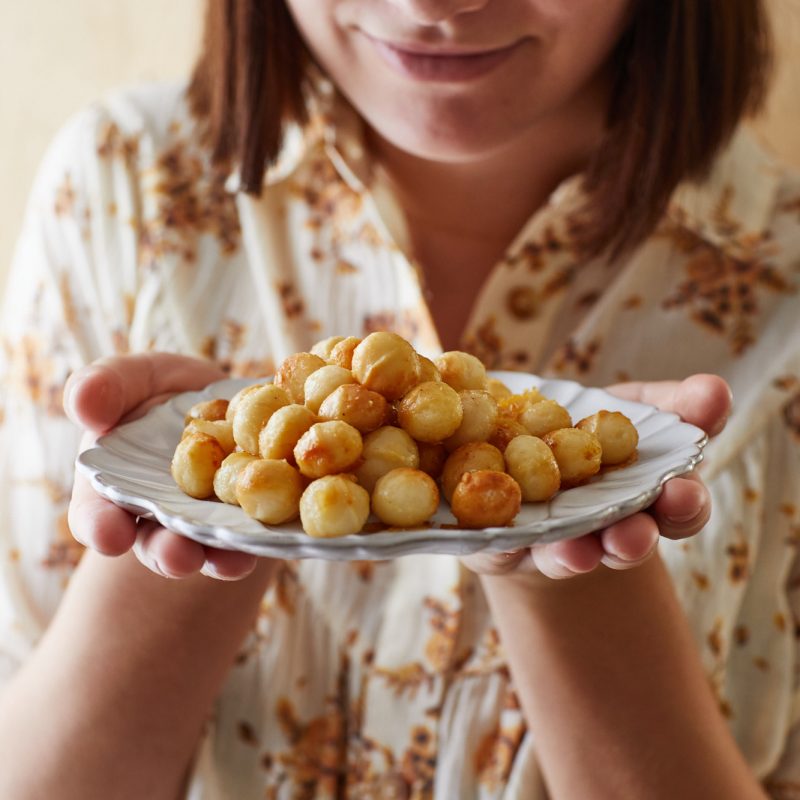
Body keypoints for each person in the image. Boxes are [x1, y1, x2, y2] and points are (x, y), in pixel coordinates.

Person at [0, 0, 798, 797]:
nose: (432, 5)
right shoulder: (122, 186)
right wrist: (193, 507)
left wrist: (575, 565)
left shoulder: (782, 280)